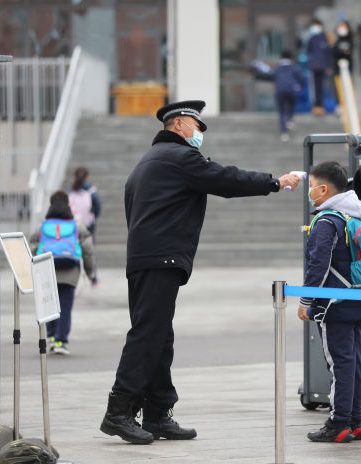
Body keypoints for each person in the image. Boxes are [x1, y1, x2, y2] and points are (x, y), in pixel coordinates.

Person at [100, 100, 301, 445]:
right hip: (160, 258)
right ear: (178, 124)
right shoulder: (179, 158)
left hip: (147, 258)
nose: (199, 133)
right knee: (149, 335)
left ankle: (158, 413)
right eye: (196, 126)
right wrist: (275, 182)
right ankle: (118, 411)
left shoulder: (148, 162)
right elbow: (225, 179)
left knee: (160, 336)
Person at [298, 161, 361, 443]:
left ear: (324, 189)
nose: (310, 192)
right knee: (353, 362)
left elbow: (318, 264)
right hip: (358, 297)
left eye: (312, 186)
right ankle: (354, 421)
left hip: (333, 303)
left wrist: (306, 300)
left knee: (338, 363)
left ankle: (338, 422)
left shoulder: (327, 220)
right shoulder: (354, 217)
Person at [29, 190, 95, 355]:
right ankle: (60, 340)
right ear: (68, 206)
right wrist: (90, 272)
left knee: (49, 304)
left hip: (46, 269)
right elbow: (88, 250)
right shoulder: (76, 226)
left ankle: (51, 335)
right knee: (65, 307)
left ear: (50, 206)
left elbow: (32, 247)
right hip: (70, 270)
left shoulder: (42, 227)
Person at [68, 167, 101, 282]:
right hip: (88, 224)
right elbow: (97, 205)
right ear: (87, 177)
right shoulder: (91, 188)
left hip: (74, 225)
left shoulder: (71, 189)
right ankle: (93, 277)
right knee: (90, 250)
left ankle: (75, 276)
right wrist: (93, 215)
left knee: (75, 249)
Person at [273, 50, 304, 142]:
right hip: (291, 90)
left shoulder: (277, 68)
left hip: (280, 90)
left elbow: (273, 77)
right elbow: (301, 78)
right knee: (291, 105)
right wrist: (300, 87)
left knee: (282, 112)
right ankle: (290, 119)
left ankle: (284, 133)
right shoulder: (293, 67)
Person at [306, 19, 332, 116]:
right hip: (314, 67)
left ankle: (322, 106)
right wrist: (312, 63)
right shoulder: (311, 39)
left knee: (323, 87)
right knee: (315, 88)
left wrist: (328, 66)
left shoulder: (325, 38)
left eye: (316, 25)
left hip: (323, 67)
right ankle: (316, 107)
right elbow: (309, 53)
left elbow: (328, 53)